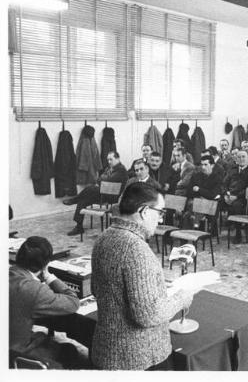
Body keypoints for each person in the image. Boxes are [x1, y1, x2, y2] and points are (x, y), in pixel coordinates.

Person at [91, 183, 193, 370]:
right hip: (141, 358)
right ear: (145, 211)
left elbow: (96, 290)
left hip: (106, 351)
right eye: (160, 212)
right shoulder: (136, 249)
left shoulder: (103, 238)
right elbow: (148, 315)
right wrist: (182, 298)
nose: (161, 220)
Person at [9, 236, 82, 368]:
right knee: (69, 350)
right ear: (45, 264)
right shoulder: (34, 290)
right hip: (15, 352)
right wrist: (48, 276)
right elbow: (73, 302)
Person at [63, 151, 129, 236]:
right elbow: (99, 179)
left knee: (91, 187)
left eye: (111, 160)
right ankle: (79, 227)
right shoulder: (110, 168)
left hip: (113, 197)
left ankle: (74, 199)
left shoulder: (121, 170)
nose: (109, 162)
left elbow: (105, 180)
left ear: (117, 159)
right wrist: (103, 179)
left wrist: (103, 179)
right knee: (83, 201)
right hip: (103, 194)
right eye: (108, 160)